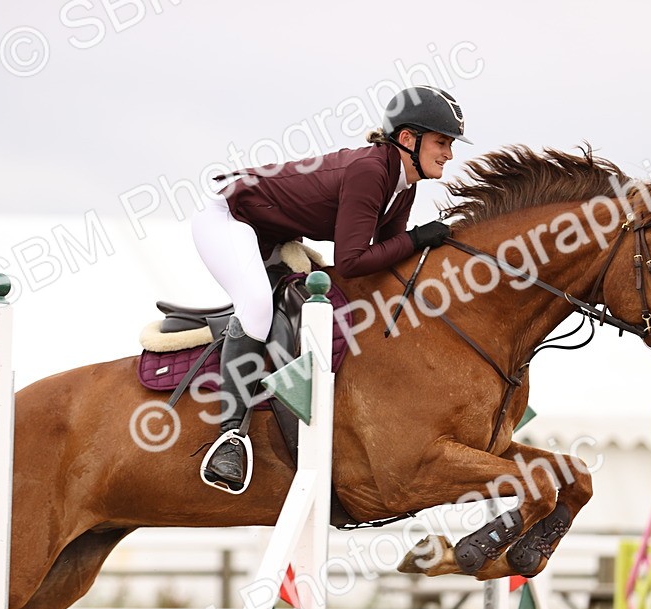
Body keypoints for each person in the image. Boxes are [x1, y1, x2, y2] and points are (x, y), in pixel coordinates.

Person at [193, 85, 470, 494]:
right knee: (256, 307)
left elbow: (384, 260)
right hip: (228, 219)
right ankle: (229, 438)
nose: (449, 153)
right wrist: (417, 238)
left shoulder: (403, 184)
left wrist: (423, 249)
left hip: (267, 233)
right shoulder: (371, 171)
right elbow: (354, 261)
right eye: (442, 142)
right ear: (408, 140)